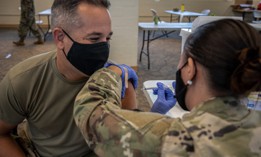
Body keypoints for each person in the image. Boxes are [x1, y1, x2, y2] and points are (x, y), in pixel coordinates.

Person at [74, 19, 261, 157]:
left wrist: (113, 72)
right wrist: (155, 116)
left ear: (189, 69)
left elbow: (90, 110)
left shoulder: (172, 139)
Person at [0, 0, 138, 156]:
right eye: (94, 39)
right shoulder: (23, 80)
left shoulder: (118, 81)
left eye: (108, 38)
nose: (104, 48)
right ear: (60, 38)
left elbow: (129, 142)